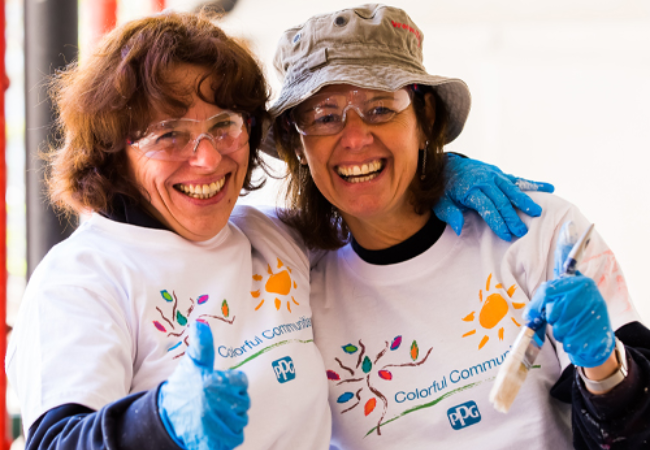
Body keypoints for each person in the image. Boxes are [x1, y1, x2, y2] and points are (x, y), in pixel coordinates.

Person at [6, 9, 552, 450]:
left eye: (225, 125)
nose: (207, 158)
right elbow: (55, 440)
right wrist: (159, 421)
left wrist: (431, 174)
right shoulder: (83, 280)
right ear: (112, 152)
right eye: (169, 134)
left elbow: (366, 208)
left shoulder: (270, 238)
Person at [268, 4, 650, 449]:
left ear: (425, 117)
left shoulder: (536, 232)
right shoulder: (289, 284)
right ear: (297, 143)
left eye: (380, 107)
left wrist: (606, 367)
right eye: (325, 116)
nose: (354, 138)